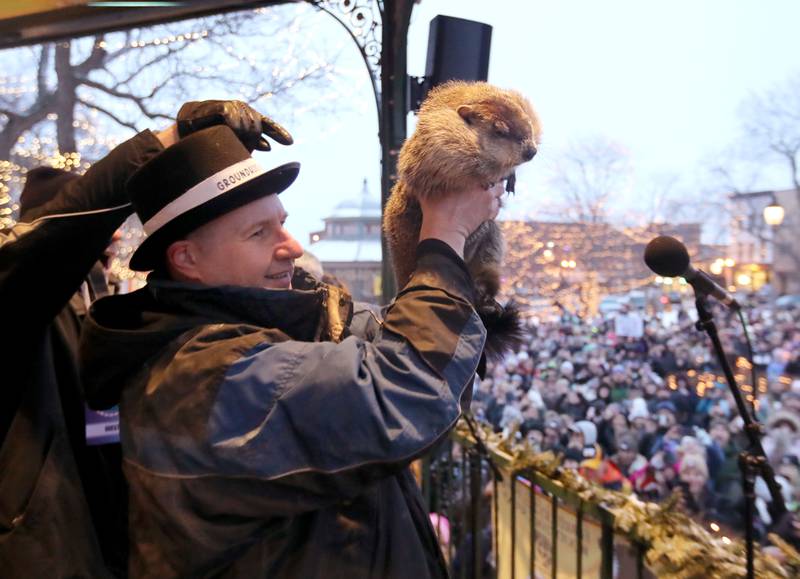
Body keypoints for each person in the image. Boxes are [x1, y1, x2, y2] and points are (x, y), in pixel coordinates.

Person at [78, 124, 505, 577]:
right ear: (187, 259)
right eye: (259, 233)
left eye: (281, 223)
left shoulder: (262, 327)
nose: (293, 247)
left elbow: (407, 345)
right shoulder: (202, 373)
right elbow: (403, 395)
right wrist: (445, 236)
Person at [0, 100, 285, 578]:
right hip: (49, 543)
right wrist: (162, 144)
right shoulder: (23, 302)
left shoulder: (113, 298)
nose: (110, 239)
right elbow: (41, 254)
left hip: (124, 530)